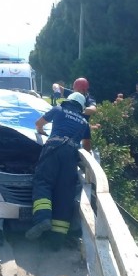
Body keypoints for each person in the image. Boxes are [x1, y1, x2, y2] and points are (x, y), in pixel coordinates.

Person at [26, 92, 89, 251]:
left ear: (68, 101)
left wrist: (41, 131)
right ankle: (57, 240)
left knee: (43, 182)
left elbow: (38, 123)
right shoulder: (84, 122)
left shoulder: (59, 110)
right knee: (65, 193)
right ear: (81, 107)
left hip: (54, 147)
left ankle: (42, 218)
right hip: (72, 154)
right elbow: (87, 147)